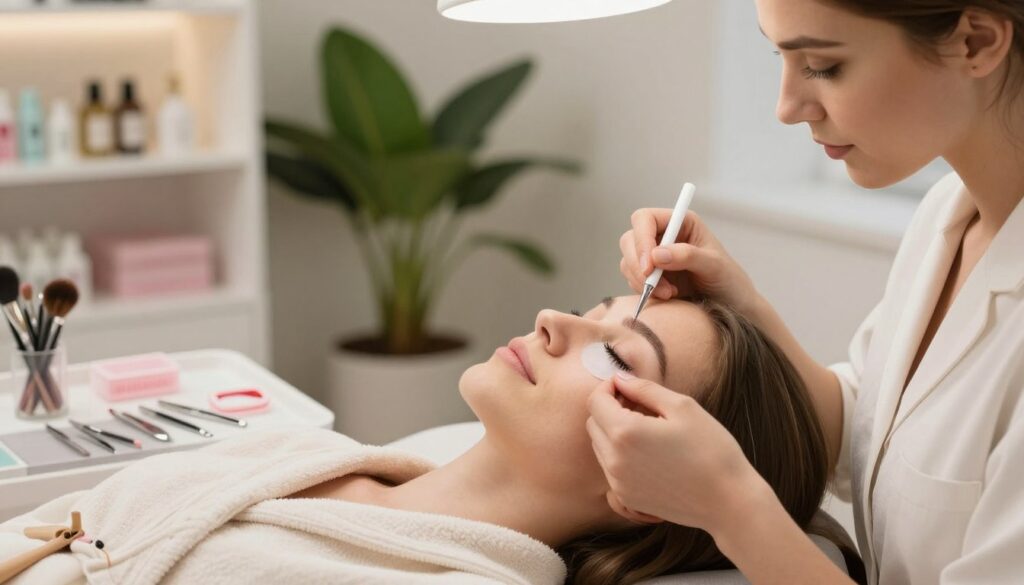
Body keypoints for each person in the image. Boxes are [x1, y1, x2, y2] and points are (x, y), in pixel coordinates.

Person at [600, 1, 1024, 583]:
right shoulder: (947, 216)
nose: (786, 108)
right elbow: (869, 435)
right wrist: (741, 302)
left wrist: (730, 507)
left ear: (975, 42)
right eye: (778, 55)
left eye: (824, 66)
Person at [0, 297, 851, 584]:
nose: (552, 319)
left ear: (656, 478)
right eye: (594, 309)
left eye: (615, 355)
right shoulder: (309, 453)